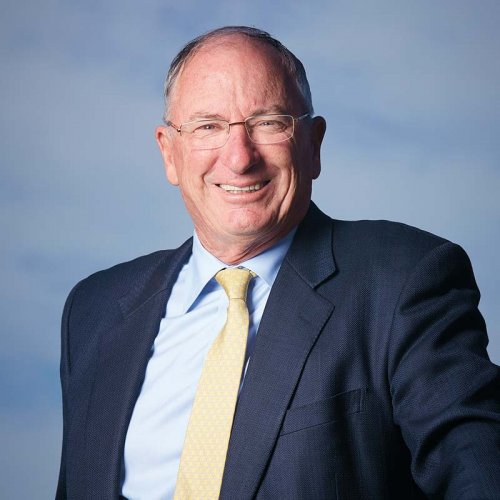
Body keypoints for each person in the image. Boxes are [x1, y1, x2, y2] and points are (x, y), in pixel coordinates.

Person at [57, 26, 500, 499]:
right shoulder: (95, 310)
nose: (239, 157)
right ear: (169, 152)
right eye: (208, 126)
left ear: (313, 143)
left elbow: (479, 475)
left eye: (268, 122)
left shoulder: (403, 282)